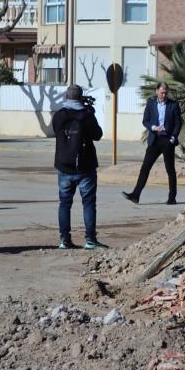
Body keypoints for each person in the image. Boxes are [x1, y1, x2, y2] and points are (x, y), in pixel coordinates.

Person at [52, 84, 108, 250]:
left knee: (64, 203)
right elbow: (97, 135)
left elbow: (57, 132)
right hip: (85, 166)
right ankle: (90, 239)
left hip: (64, 166)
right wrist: (90, 113)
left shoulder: (59, 115)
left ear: (67, 97)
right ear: (80, 97)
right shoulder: (87, 115)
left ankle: (64, 240)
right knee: (89, 203)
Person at [123, 82, 182, 204]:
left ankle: (172, 197)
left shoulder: (173, 105)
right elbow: (145, 121)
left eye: (166, 92)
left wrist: (173, 137)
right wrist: (154, 127)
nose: (164, 95)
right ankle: (135, 195)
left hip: (167, 140)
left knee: (170, 170)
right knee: (145, 168)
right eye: (162, 92)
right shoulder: (151, 103)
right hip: (154, 140)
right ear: (157, 91)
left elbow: (178, 122)